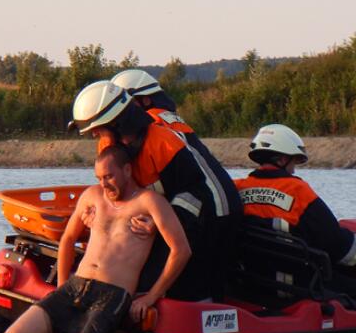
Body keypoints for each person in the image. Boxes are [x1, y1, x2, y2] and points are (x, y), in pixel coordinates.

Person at [0, 145, 191, 333]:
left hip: (112, 293)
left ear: (127, 170)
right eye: (99, 177)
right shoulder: (92, 196)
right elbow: (68, 239)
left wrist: (151, 296)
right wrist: (61, 286)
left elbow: (181, 250)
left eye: (109, 176)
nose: (104, 183)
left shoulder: (149, 202)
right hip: (75, 286)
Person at [69, 80, 241, 302]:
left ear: (116, 123)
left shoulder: (163, 143)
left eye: (97, 130)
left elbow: (194, 192)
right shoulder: (108, 147)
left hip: (199, 219)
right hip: (155, 219)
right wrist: (96, 211)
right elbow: (114, 191)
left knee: (186, 275)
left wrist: (159, 224)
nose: (95, 136)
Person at [234, 124, 356, 306]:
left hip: (252, 283)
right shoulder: (297, 191)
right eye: (293, 163)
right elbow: (335, 241)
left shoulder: (237, 188)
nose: (294, 170)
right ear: (282, 159)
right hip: (293, 287)